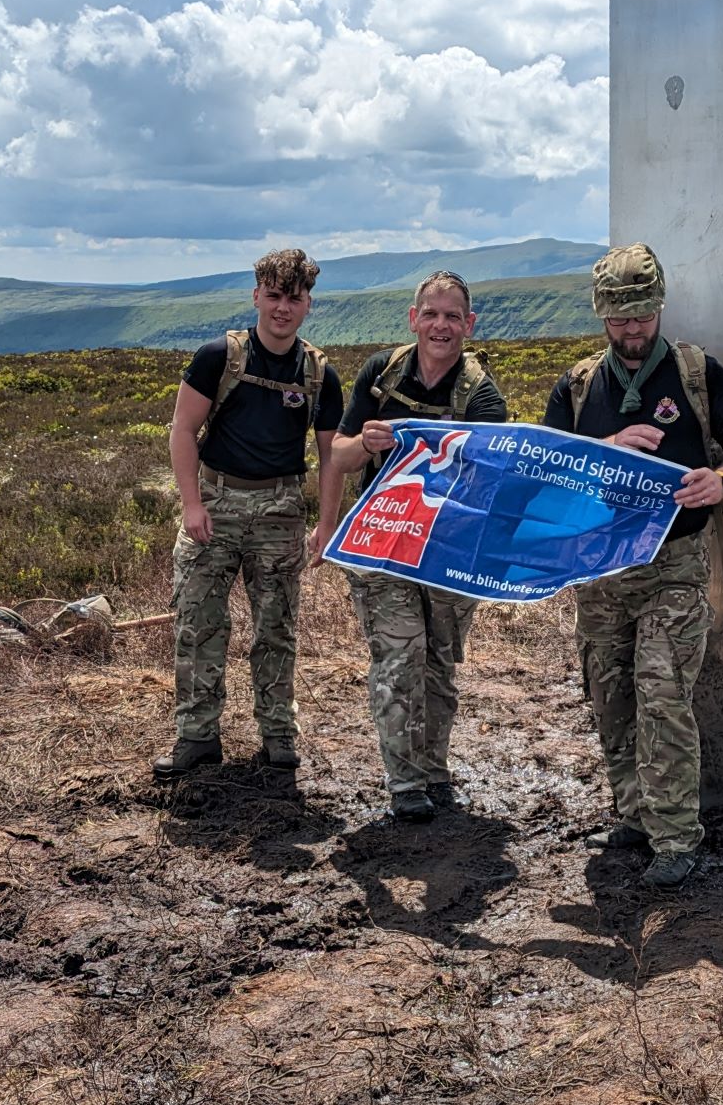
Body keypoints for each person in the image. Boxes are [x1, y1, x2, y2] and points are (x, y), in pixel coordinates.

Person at [543, 243, 723, 888]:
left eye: (641, 315)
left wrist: (722, 482)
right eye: (618, 317)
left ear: (660, 305)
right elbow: (548, 475)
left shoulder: (696, 373)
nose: (632, 329)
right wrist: (605, 449)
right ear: (600, 315)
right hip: (602, 566)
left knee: (663, 691)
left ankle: (674, 836)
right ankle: (634, 813)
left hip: (673, 562)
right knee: (611, 693)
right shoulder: (580, 384)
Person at [153, 248, 344, 780]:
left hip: (282, 510)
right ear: (257, 296)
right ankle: (196, 737)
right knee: (199, 625)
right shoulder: (219, 356)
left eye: (296, 298)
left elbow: (331, 455)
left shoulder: (319, 375)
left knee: (277, 628)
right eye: (275, 296)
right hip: (214, 504)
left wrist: (326, 524)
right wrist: (192, 504)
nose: (284, 308)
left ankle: (278, 735)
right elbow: (182, 430)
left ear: (308, 304)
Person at [329, 271, 508, 821]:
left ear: (469, 325)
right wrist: (365, 442)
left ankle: (433, 768)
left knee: (438, 662)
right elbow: (338, 455)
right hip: (384, 543)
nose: (441, 325)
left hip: (450, 552)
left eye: (452, 316)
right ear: (414, 318)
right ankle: (405, 783)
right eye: (431, 313)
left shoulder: (482, 395)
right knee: (399, 655)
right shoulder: (379, 373)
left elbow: (490, 482)